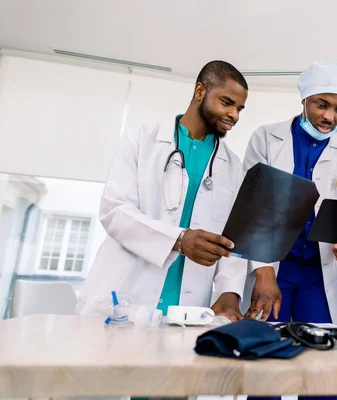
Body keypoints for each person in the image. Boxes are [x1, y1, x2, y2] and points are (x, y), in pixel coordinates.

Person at [76, 60, 250, 322]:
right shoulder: (140, 140)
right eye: (226, 103)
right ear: (200, 91)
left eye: (239, 108)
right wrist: (179, 240)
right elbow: (115, 210)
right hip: (124, 294)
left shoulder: (233, 167)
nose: (234, 115)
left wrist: (229, 291)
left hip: (188, 305)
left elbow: (233, 239)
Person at [241, 61, 337, 330]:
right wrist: (263, 271)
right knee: (265, 343)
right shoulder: (266, 137)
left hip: (318, 273)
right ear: (304, 99)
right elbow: (250, 210)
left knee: (320, 352)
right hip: (273, 268)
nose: (329, 117)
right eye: (321, 105)